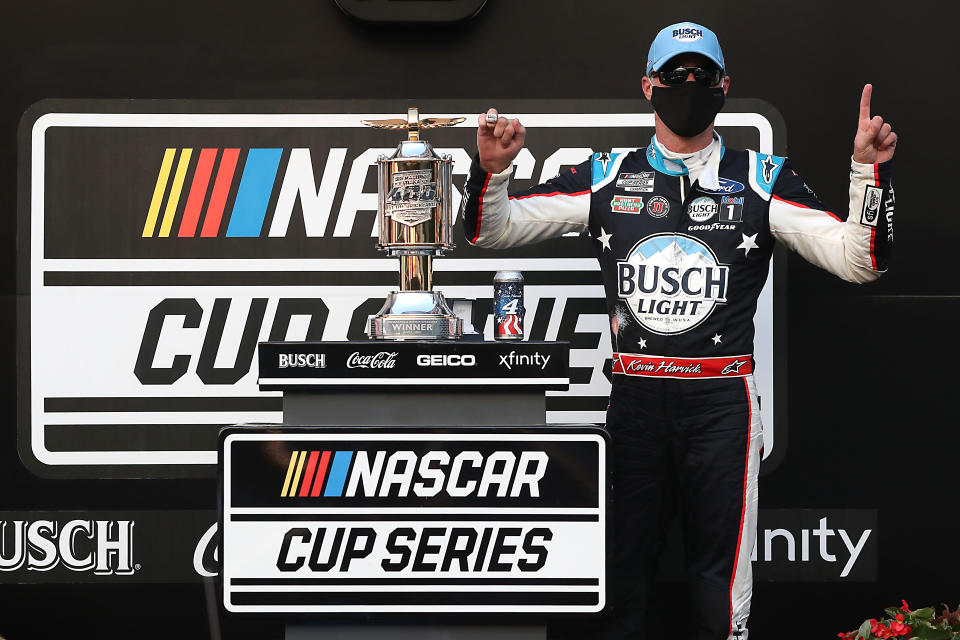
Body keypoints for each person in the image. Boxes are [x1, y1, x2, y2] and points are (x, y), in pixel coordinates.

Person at [460, 20, 897, 640]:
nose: (687, 85)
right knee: (618, 585)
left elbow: (861, 260)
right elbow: (492, 230)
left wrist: (866, 173)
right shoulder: (609, 174)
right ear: (648, 86)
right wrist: (495, 170)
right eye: (674, 76)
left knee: (719, 597)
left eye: (700, 76)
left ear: (725, 86)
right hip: (636, 401)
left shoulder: (761, 178)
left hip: (722, 405)